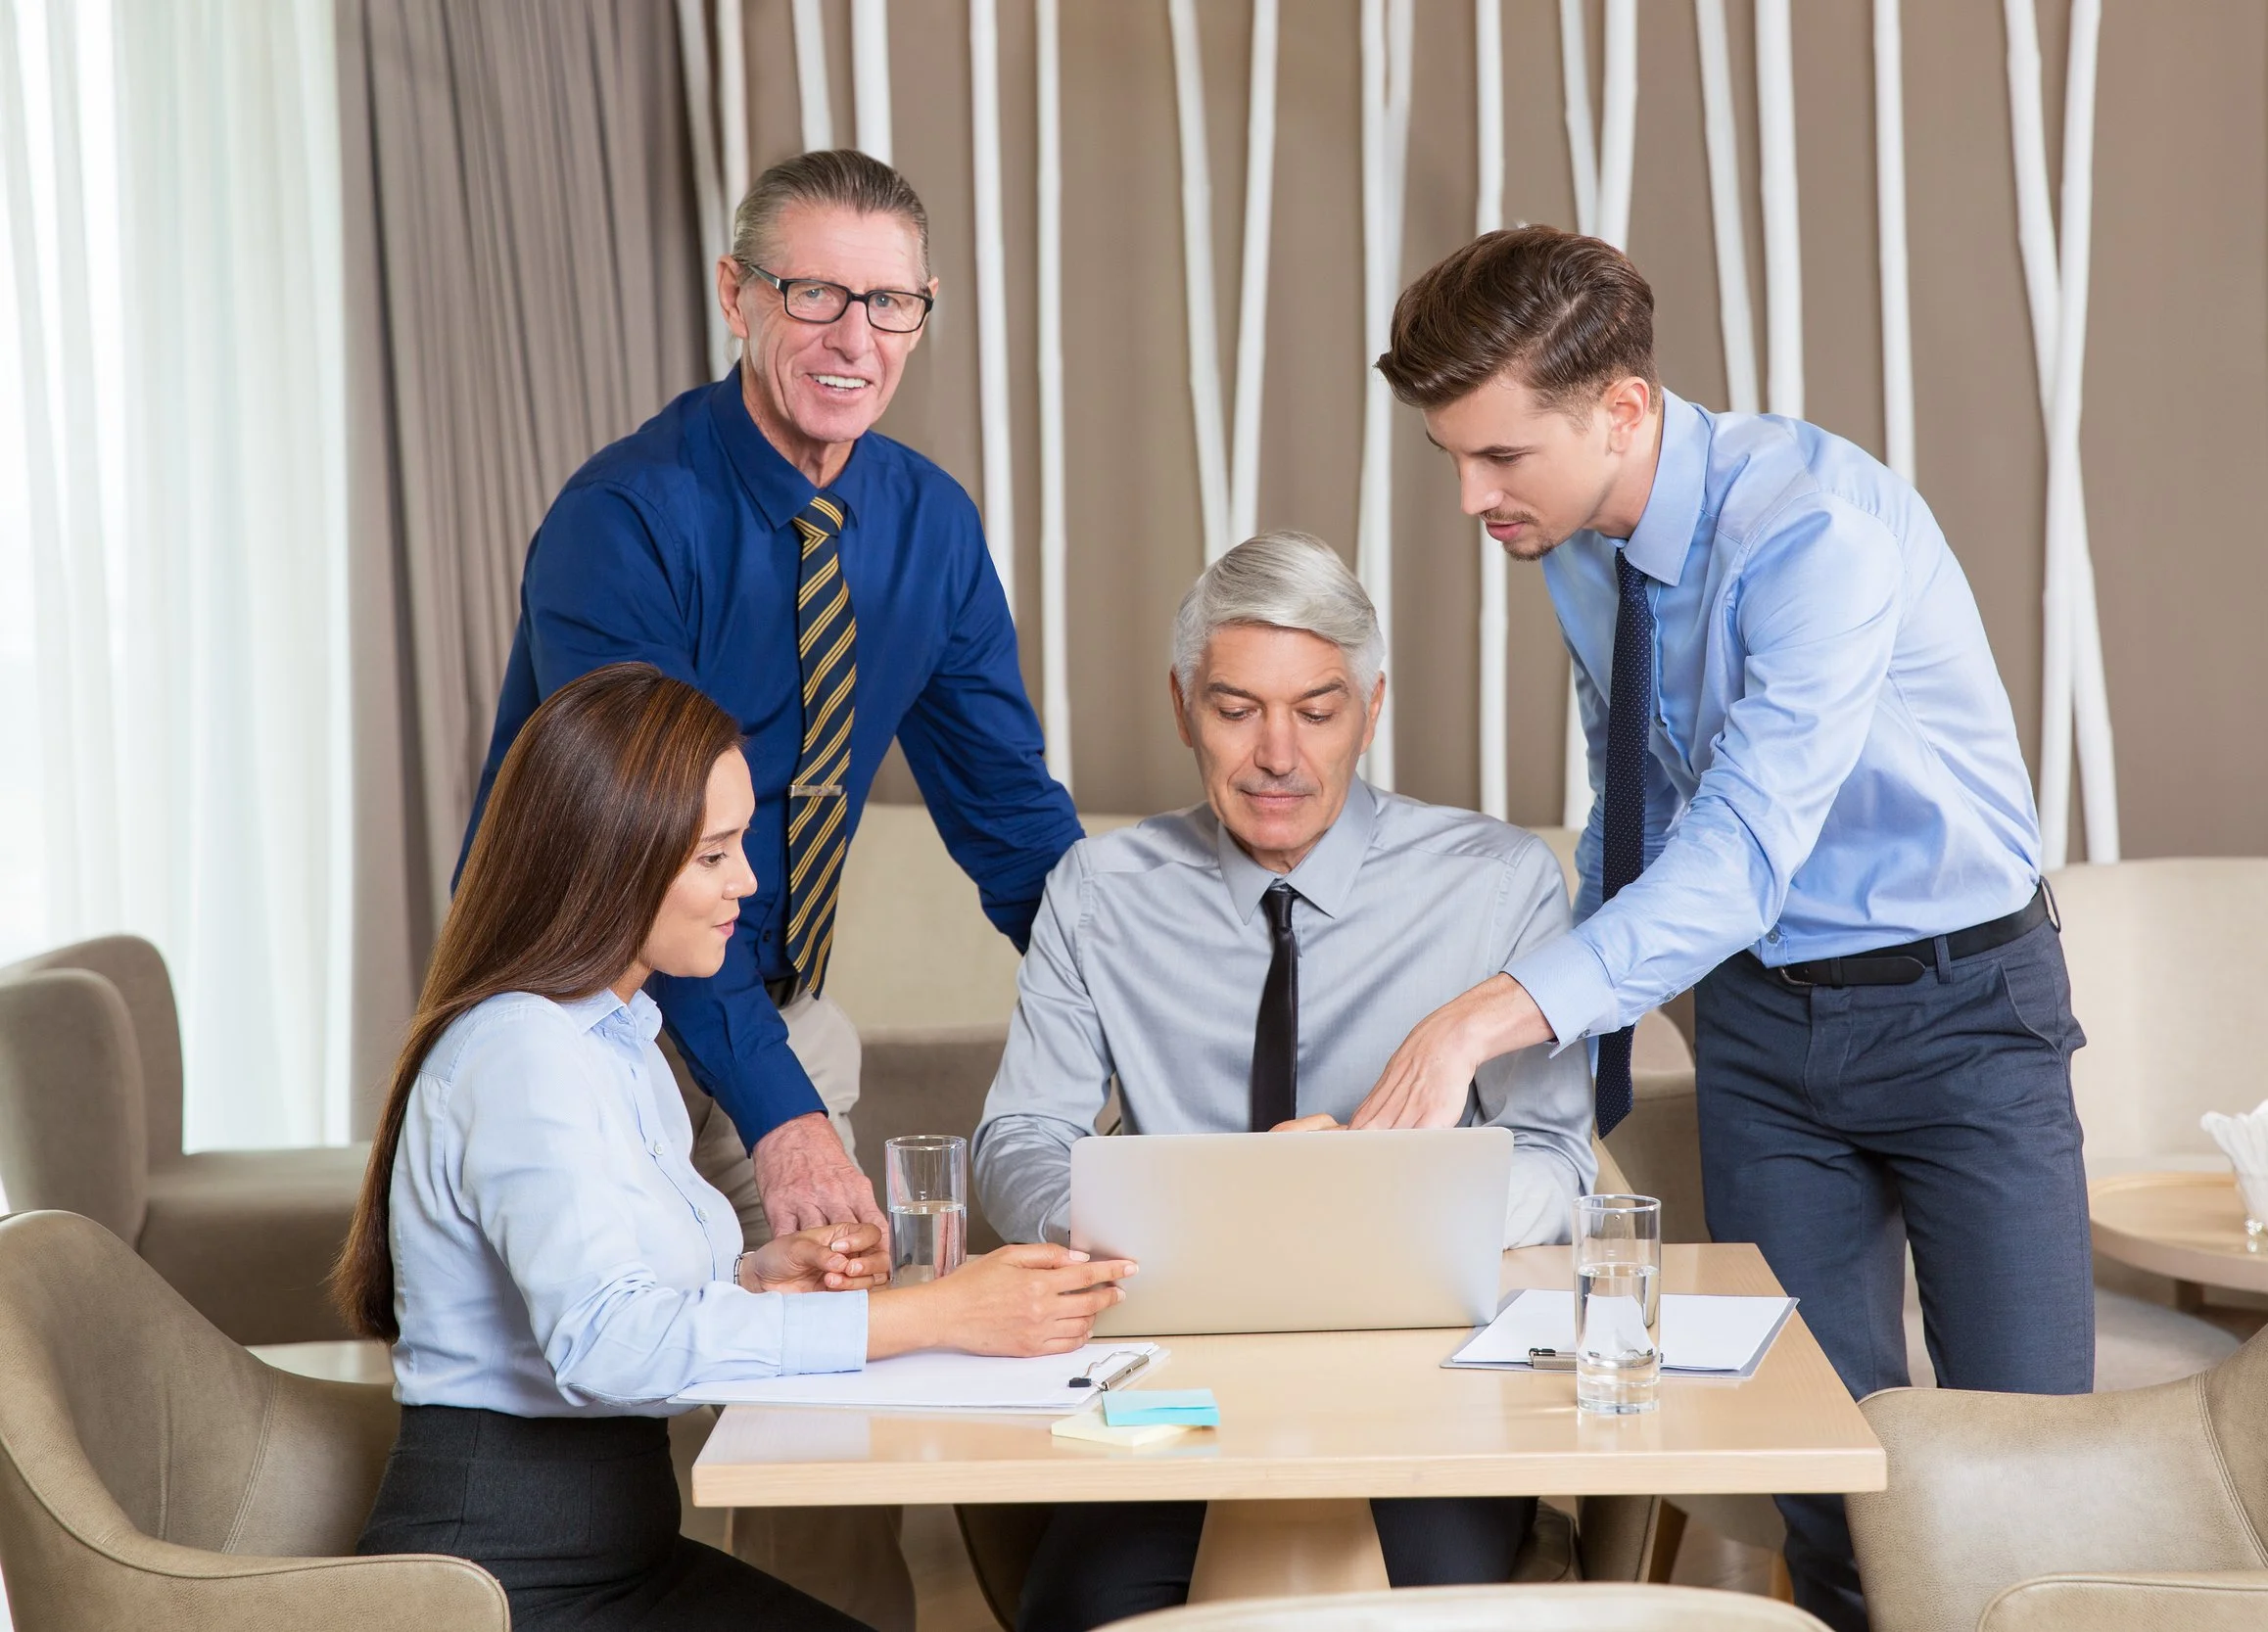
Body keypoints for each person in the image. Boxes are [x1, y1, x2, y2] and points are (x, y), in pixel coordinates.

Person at [1358, 227, 2094, 1632]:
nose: (1469, 496)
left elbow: (1744, 850)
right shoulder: (1577, 546)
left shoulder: (1818, 531)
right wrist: (1557, 1064)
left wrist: (1478, 1018)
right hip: (1761, 1026)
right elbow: (1629, 807)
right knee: (1818, 1471)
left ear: (1621, 408)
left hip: (1961, 1012)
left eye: (1500, 456)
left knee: (2023, 1471)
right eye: (1453, 454)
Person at [340, 663, 1134, 1632]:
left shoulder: (617, 1041)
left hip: (613, 1557)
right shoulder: (521, 1049)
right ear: (613, 860)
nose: (749, 884)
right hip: (501, 1585)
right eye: (714, 854)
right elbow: (607, 1342)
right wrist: (936, 1312)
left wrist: (758, 1273)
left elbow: (625, 1291)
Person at [971, 533, 1595, 1631]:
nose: (1277, 754)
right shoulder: (1097, 891)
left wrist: (1387, 1188)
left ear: (1371, 706)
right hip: (1172, 1370)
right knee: (1081, 1608)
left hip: (1426, 1377)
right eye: (1235, 709)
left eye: (1316, 710)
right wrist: (1121, 1215)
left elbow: (1556, 1158)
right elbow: (1019, 1133)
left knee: (1437, 1608)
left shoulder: (1495, 883)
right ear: (1181, 707)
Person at [464, 147, 1081, 1238]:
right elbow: (646, 847)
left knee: (841, 1356)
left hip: (777, 1017)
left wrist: (1145, 1017)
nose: (856, 339)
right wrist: (783, 1117)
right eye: (814, 294)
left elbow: (1012, 821)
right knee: (628, 1386)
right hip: (581, 1027)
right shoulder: (623, 522)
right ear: (736, 296)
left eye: (889, 301)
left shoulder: (929, 528)